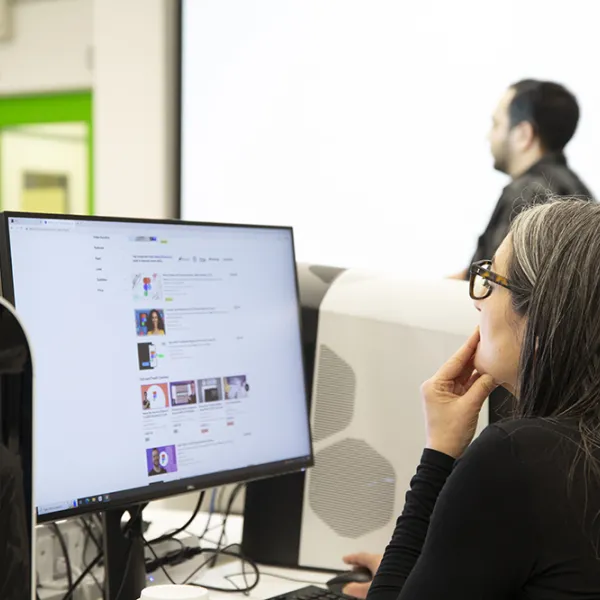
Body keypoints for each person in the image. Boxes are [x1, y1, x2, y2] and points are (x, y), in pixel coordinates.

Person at [344, 199, 600, 599]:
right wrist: (425, 570)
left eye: (490, 278)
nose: (477, 299)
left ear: (540, 316)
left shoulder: (518, 457)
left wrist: (440, 451)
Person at [449, 79, 593, 280]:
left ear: (523, 134)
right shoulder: (580, 193)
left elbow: (495, 284)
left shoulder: (527, 194)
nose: (489, 136)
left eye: (496, 124)